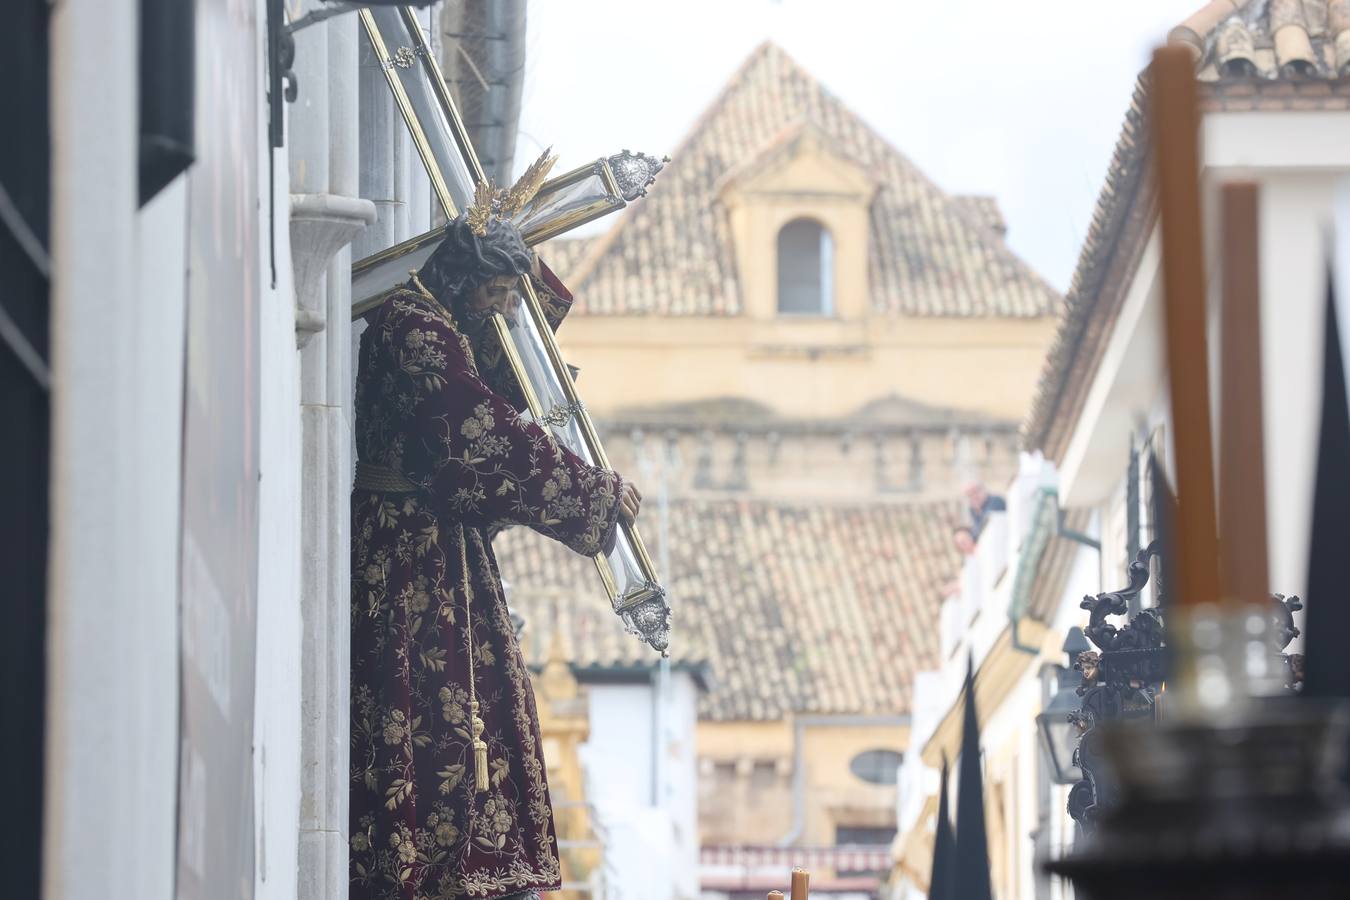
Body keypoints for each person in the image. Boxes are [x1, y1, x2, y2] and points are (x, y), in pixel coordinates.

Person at [348, 193, 640, 900]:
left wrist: (530, 287)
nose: (505, 309)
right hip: (409, 551)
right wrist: (594, 496)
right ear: (461, 278)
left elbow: (505, 376)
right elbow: (480, 438)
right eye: (498, 290)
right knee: (432, 709)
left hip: (437, 546)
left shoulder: (440, 321)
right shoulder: (415, 328)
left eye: (512, 293)